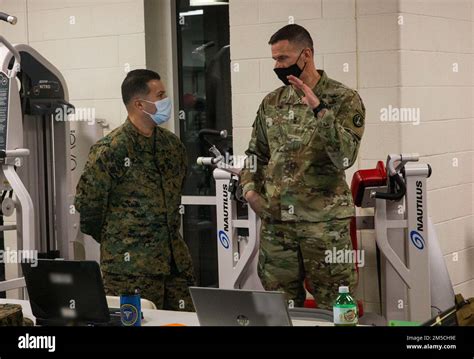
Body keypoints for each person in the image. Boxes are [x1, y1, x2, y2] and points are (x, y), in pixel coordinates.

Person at [240, 24, 365, 309]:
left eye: (283, 59)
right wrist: (249, 191)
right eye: (274, 59)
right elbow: (254, 154)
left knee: (336, 305)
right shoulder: (272, 102)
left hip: (324, 227)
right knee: (278, 308)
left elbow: (345, 156)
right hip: (278, 226)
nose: (277, 66)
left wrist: (319, 109)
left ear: (306, 55)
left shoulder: (343, 98)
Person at [75, 69, 195, 311]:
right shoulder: (111, 150)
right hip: (129, 271)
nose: (167, 101)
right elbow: (89, 208)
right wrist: (124, 241)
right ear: (140, 104)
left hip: (175, 266)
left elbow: (174, 197)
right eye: (160, 95)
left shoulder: (172, 146)